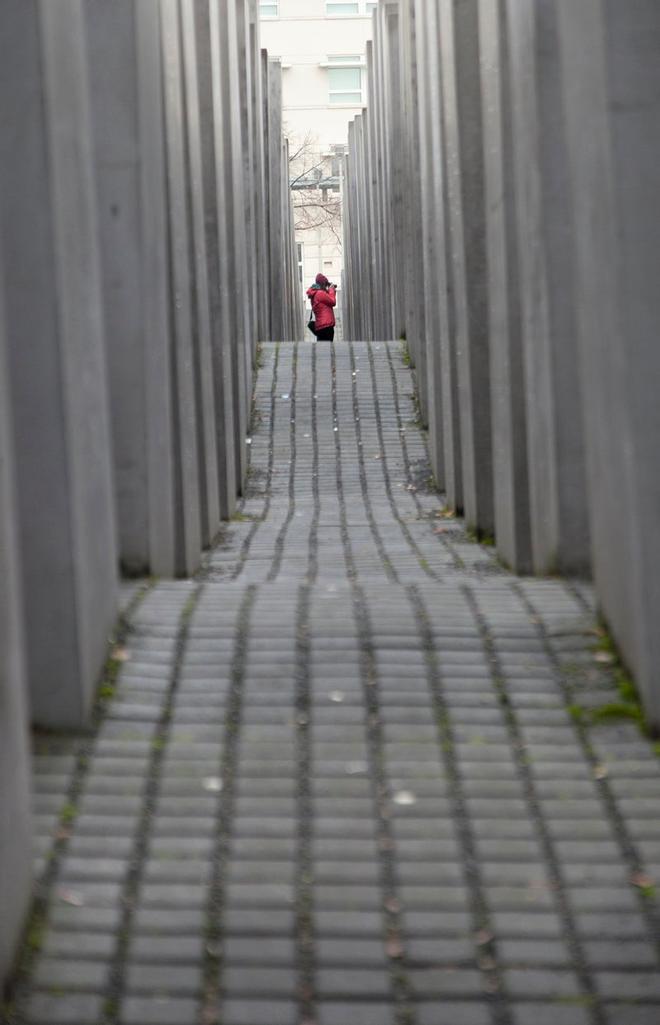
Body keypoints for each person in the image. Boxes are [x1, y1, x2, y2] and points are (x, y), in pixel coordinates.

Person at [307, 273, 337, 341]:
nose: (326, 287)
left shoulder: (315, 293)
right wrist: (331, 289)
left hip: (321, 327)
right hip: (326, 326)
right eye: (325, 284)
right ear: (322, 284)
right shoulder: (320, 293)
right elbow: (333, 302)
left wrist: (328, 290)